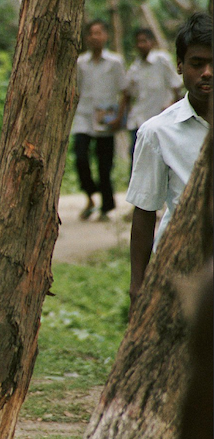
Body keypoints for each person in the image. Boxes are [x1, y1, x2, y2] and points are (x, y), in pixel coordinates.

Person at [126, 12, 212, 306]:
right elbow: (145, 210)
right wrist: (137, 283)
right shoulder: (157, 132)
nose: (207, 73)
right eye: (197, 64)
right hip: (181, 269)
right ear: (179, 66)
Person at [70, 19, 128, 221]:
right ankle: (89, 194)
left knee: (105, 165)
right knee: (80, 157)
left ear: (106, 36)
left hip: (106, 118)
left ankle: (106, 206)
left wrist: (119, 117)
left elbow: (125, 91)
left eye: (99, 33)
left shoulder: (115, 62)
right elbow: (74, 89)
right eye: (91, 33)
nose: (95, 37)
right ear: (86, 38)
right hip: (83, 116)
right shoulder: (80, 63)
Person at [123, 28, 183, 163]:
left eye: (144, 41)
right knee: (135, 154)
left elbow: (176, 86)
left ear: (152, 42)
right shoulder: (134, 68)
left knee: (161, 156)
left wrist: (172, 107)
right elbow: (128, 94)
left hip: (161, 117)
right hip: (139, 120)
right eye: (138, 42)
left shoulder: (162, 60)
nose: (141, 45)